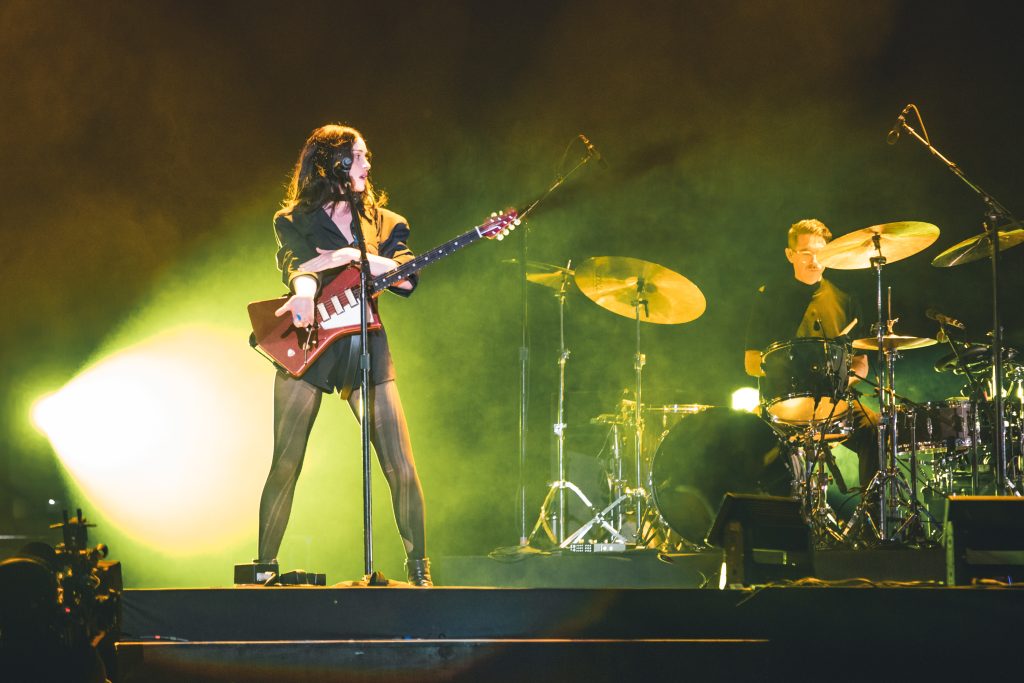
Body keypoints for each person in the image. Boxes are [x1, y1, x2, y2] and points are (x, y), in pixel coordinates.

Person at [256, 123, 431, 586]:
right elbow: (298, 269)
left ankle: (420, 573)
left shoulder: (385, 221)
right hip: (312, 341)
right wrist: (317, 277)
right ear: (332, 164)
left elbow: (409, 280)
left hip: (364, 338)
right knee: (286, 461)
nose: (368, 165)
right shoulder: (293, 219)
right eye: (358, 156)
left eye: (366, 157)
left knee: (400, 464)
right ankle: (262, 572)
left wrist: (375, 262)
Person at [744, 218, 879, 493]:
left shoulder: (846, 299)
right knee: (752, 449)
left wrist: (837, 384)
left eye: (821, 252)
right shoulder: (768, 298)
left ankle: (872, 522)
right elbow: (750, 363)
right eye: (806, 252)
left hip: (835, 404)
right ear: (790, 254)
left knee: (877, 428)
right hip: (785, 409)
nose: (814, 260)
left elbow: (861, 363)